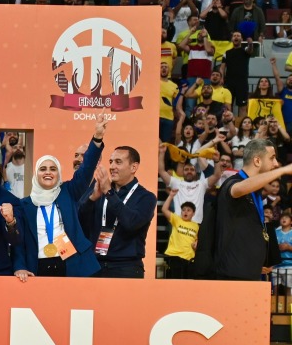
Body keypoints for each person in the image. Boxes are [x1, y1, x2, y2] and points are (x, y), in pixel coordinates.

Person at [13, 116, 108, 281]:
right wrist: (20, 266)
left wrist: (97, 137)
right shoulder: (24, 204)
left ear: (58, 174)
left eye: (53, 169)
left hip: (72, 264)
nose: (48, 172)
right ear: (36, 174)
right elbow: (19, 241)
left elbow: (86, 169)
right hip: (37, 267)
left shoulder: (68, 191)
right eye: (43, 169)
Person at [214, 139, 292, 280]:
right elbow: (238, 189)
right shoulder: (233, 182)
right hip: (232, 274)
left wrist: (256, 262)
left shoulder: (255, 190)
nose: (275, 163)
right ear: (257, 161)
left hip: (249, 270)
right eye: (272, 158)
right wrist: (283, 170)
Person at [78, 144, 157, 278]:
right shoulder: (98, 190)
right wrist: (91, 199)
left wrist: (109, 193)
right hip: (95, 265)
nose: (112, 166)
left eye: (118, 162)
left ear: (133, 167)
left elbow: (131, 223)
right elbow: (80, 223)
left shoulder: (146, 197)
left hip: (126, 268)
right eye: (111, 162)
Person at [160, 159, 224, 225]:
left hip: (196, 224)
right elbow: (161, 171)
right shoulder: (176, 183)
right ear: (183, 172)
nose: (189, 171)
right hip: (179, 223)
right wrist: (161, 153)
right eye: (186, 170)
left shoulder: (201, 184)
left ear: (196, 172)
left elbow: (217, 176)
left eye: (192, 170)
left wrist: (216, 161)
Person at [162, 195, 199, 279]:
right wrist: (171, 196)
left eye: (188, 210)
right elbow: (164, 209)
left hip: (189, 258)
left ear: (193, 213)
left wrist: (196, 244)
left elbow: (197, 240)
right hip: (175, 256)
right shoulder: (176, 219)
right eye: (183, 210)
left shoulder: (196, 226)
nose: (185, 212)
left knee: (188, 284)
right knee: (175, 282)